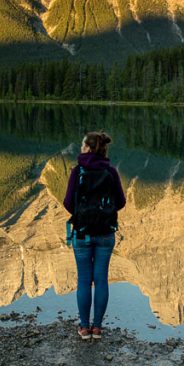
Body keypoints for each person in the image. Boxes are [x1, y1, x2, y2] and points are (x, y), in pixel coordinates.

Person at [63, 131, 126, 341]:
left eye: (83, 145)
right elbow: (121, 202)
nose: (81, 148)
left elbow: (68, 204)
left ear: (88, 148)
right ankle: (97, 328)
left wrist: (83, 213)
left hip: (82, 233)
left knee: (83, 280)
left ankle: (83, 328)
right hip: (106, 233)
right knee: (101, 280)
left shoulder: (77, 171)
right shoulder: (111, 171)